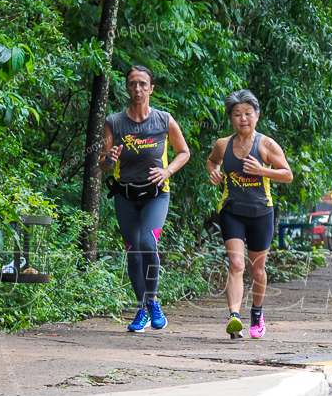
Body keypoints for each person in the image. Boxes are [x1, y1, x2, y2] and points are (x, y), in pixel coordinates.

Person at [100, 65, 190, 332]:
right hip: (126, 195)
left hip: (156, 195)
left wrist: (167, 171)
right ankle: (141, 308)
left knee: (146, 244)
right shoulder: (114, 122)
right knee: (133, 253)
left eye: (142, 84)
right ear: (126, 88)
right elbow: (102, 164)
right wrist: (108, 159)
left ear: (151, 89)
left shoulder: (163, 120)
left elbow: (183, 152)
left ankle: (152, 301)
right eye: (132, 84)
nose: (137, 89)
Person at [207, 90, 292, 339]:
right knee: (236, 264)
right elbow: (212, 161)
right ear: (231, 119)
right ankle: (234, 317)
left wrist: (262, 170)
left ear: (256, 115)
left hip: (260, 213)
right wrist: (214, 172)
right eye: (237, 114)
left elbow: (287, 174)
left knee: (257, 270)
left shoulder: (266, 145)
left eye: (247, 113)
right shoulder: (223, 145)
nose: (243, 118)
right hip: (232, 211)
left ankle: (257, 313)